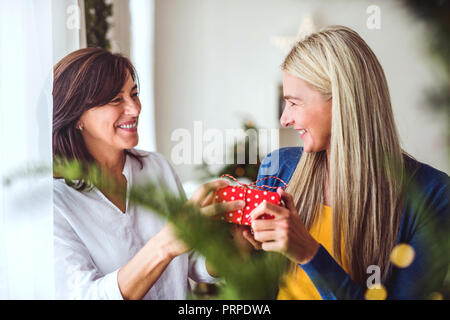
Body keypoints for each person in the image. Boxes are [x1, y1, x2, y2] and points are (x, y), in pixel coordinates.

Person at [242, 25, 449, 300]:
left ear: (341, 101)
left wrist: (309, 253)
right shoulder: (278, 168)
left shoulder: (433, 195)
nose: (285, 120)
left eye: (294, 103)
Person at [52, 47, 244, 299]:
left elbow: (190, 262)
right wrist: (164, 245)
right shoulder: (55, 203)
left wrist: (235, 245)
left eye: (134, 94)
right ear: (77, 117)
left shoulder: (156, 168)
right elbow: (85, 295)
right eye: (115, 99)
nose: (134, 109)